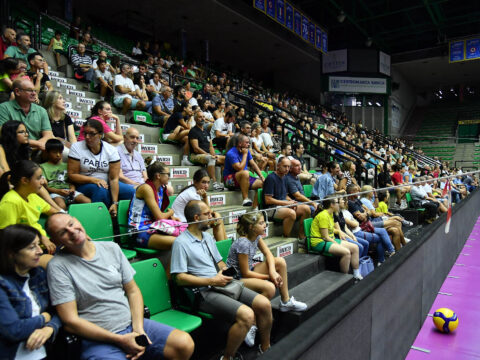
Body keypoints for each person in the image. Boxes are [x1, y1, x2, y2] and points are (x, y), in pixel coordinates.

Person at [45, 213, 194, 360]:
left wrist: (138, 329)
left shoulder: (112, 248)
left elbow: (133, 291)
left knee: (183, 344)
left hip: (131, 325)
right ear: (55, 241)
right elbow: (70, 321)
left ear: (77, 220)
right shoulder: (58, 266)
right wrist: (120, 340)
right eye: (62, 232)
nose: (71, 231)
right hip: (98, 338)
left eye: (71, 224)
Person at [171, 200, 273, 358]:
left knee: (264, 304)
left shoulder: (207, 237)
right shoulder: (181, 243)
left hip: (222, 284)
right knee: (247, 315)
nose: (212, 216)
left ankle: (266, 348)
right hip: (203, 292)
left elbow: (219, 263)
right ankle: (227, 357)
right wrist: (212, 280)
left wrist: (225, 271)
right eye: (208, 214)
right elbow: (179, 278)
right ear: (197, 217)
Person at [0, 224, 62, 358]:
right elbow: (13, 330)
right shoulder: (3, 284)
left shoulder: (38, 274)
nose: (40, 251)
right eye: (32, 247)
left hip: (45, 351)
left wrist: (49, 328)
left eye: (39, 244)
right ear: (11, 253)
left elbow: (60, 310)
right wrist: (44, 318)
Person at [227, 212, 307, 311]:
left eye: (264, 222)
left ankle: (285, 302)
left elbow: (268, 254)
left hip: (248, 271)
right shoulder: (243, 243)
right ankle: (251, 314)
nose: (265, 225)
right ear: (251, 227)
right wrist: (269, 277)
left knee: (280, 261)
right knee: (269, 288)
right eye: (261, 223)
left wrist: (273, 272)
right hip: (237, 278)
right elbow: (245, 273)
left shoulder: (256, 236)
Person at [67, 119, 135, 214]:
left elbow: (114, 179)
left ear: (100, 134)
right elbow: (72, 175)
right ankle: (100, 220)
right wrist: (94, 180)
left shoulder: (110, 150)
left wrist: (115, 202)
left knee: (130, 191)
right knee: (101, 190)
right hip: (83, 184)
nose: (87, 137)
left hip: (106, 183)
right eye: (85, 133)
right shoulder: (77, 147)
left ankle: (118, 218)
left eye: (91, 134)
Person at [0, 160, 57, 255]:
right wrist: (40, 236)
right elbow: (7, 234)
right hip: (26, 251)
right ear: (25, 180)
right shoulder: (10, 202)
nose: (43, 181)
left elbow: (52, 211)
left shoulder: (31, 195)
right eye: (38, 178)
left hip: (44, 244)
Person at [128, 161, 180, 250]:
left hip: (152, 227)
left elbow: (158, 214)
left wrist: (170, 218)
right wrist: (171, 212)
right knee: (180, 243)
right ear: (158, 176)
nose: (169, 177)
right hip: (138, 231)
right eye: (168, 174)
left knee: (186, 237)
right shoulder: (146, 188)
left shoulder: (160, 189)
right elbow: (159, 216)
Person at [310, 197, 363, 280]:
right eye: (337, 202)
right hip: (319, 242)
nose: (339, 204)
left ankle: (356, 275)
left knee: (355, 247)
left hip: (329, 240)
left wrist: (338, 232)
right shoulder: (323, 216)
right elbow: (325, 236)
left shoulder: (330, 214)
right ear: (332, 205)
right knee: (346, 252)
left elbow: (330, 229)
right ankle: (344, 279)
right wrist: (337, 244)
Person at [172, 168, 227, 241]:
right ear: (195, 182)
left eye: (208, 182)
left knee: (217, 217)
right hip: (181, 225)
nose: (206, 185)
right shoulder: (192, 194)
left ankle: (225, 245)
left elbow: (207, 213)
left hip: (188, 222)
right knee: (217, 219)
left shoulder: (194, 190)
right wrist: (205, 197)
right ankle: (223, 249)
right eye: (203, 182)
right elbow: (208, 212)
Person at [263, 157, 311, 239]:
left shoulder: (285, 177)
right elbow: (268, 200)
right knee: (291, 213)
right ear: (278, 166)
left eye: (289, 167)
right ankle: (285, 237)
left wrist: (291, 201)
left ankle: (301, 236)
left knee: (306, 208)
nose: (287, 169)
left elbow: (285, 195)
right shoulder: (271, 178)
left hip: (282, 205)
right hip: (270, 208)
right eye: (285, 166)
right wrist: (287, 203)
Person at [0, 79, 54, 151]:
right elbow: (4, 134)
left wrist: (36, 146)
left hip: (38, 149)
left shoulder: (42, 111)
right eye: (29, 90)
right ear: (17, 92)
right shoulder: (4, 108)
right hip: (13, 149)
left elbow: (48, 135)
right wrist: (36, 144)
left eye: (34, 90)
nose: (34, 93)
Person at [40, 139, 90, 210]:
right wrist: (58, 191)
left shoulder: (67, 165)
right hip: (54, 192)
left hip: (68, 191)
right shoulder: (42, 167)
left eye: (60, 152)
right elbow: (45, 187)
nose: (58, 155)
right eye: (54, 152)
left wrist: (72, 189)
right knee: (61, 205)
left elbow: (71, 182)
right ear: (47, 153)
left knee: (87, 201)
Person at [223, 133, 264, 207]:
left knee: (264, 184)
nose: (248, 144)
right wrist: (245, 154)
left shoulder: (247, 151)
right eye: (246, 142)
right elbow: (239, 168)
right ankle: (245, 199)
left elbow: (253, 164)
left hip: (244, 179)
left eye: (249, 142)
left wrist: (261, 176)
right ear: (239, 143)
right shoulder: (231, 153)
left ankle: (256, 206)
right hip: (229, 180)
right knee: (245, 173)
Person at [188, 111, 225, 191]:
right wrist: (209, 155)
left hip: (207, 154)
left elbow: (211, 146)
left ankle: (222, 183)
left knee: (225, 159)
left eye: (203, 117)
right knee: (210, 158)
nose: (202, 119)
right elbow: (196, 148)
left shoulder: (206, 131)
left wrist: (214, 155)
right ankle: (214, 183)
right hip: (195, 155)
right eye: (200, 117)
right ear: (195, 119)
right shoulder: (193, 131)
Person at [163, 101, 194, 166]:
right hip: (168, 135)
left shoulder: (186, 117)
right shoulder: (178, 115)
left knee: (187, 139)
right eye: (190, 108)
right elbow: (188, 129)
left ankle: (184, 160)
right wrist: (181, 127)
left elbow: (188, 127)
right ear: (184, 108)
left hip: (176, 134)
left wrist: (190, 117)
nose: (191, 110)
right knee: (190, 132)